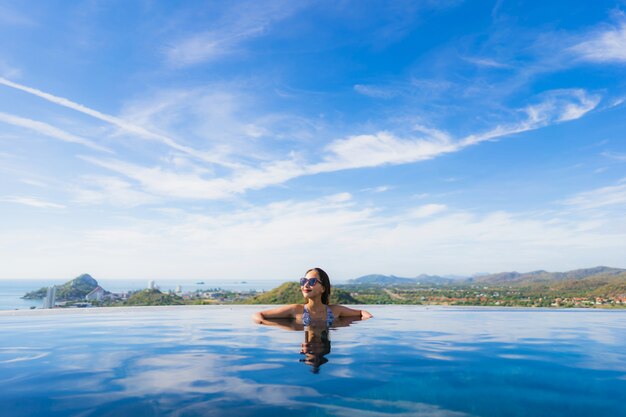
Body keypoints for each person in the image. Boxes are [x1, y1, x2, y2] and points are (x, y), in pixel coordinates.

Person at [252, 267, 373, 325]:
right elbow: (258, 315)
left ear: (323, 288)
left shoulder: (335, 311)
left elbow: (362, 312)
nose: (306, 285)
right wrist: (269, 324)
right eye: (303, 281)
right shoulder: (295, 310)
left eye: (312, 282)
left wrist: (369, 319)